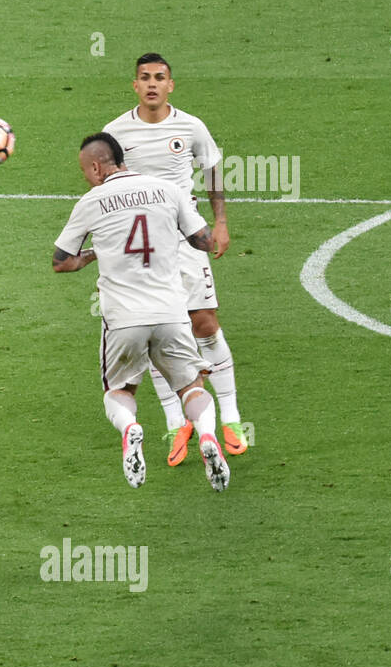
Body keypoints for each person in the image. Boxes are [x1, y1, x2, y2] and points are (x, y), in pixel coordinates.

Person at [53, 134, 230, 492]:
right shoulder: (166, 189)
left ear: (95, 167)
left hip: (123, 318)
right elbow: (204, 241)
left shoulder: (91, 201)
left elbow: (61, 263)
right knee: (192, 386)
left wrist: (95, 253)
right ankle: (208, 435)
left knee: (120, 390)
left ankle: (131, 429)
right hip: (171, 312)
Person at [102, 53, 248, 466]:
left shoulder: (190, 126)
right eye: (144, 78)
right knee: (152, 332)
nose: (152, 84)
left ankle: (232, 418)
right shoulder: (115, 132)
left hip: (185, 239)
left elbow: (213, 170)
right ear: (134, 85)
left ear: (171, 85)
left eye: (159, 78)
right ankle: (174, 423)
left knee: (204, 322)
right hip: (139, 248)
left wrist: (220, 222)